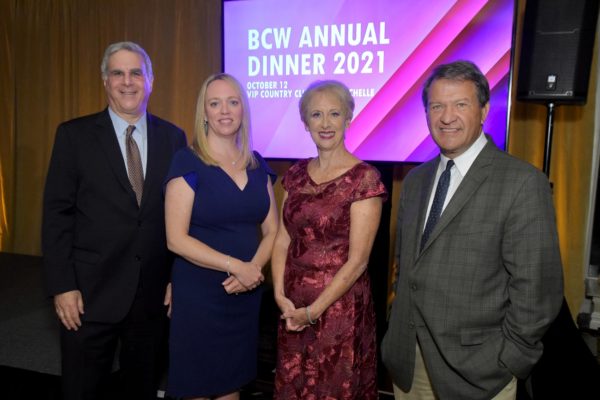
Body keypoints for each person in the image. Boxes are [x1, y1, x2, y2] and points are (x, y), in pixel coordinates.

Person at [381, 60, 564, 400]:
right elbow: (407, 269)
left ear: (482, 111)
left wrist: (509, 360)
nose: (446, 117)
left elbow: (539, 291)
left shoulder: (522, 183)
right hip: (410, 363)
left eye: (460, 105)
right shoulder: (416, 181)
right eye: (437, 106)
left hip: (481, 373)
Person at [42, 41, 187, 400]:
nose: (127, 81)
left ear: (150, 81)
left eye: (136, 72)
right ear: (105, 81)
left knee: (142, 388)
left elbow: (182, 215)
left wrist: (175, 276)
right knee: (82, 390)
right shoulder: (73, 136)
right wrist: (63, 286)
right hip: (88, 295)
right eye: (117, 73)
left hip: (151, 296)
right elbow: (56, 215)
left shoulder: (174, 138)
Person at [163, 72, 278, 400]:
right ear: (204, 113)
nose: (224, 110)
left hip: (245, 293)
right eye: (215, 103)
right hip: (200, 295)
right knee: (196, 386)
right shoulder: (187, 161)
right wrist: (235, 266)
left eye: (232, 102)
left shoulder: (257, 165)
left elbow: (273, 230)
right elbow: (176, 238)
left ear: (243, 109)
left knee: (232, 385)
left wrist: (252, 270)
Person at [272, 80, 387, 399]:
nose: (325, 123)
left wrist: (313, 310)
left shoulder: (364, 179)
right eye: (316, 114)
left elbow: (359, 261)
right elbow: (283, 239)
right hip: (292, 309)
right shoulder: (294, 175)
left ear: (348, 119)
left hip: (339, 312)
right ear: (305, 122)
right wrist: (281, 297)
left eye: (334, 114)